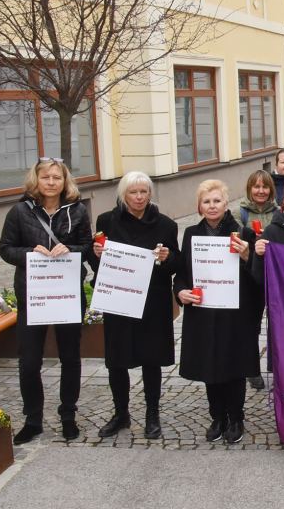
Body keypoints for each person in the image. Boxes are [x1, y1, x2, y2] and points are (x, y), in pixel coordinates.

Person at [0, 158, 92, 444]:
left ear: (65, 182)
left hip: (66, 293)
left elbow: (87, 247)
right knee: (28, 361)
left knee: (70, 358)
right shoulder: (19, 211)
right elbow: (5, 248)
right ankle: (33, 419)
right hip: (33, 294)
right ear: (36, 180)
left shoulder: (77, 211)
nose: (51, 182)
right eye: (46, 177)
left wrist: (71, 249)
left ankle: (68, 416)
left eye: (57, 177)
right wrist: (30, 253)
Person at [91, 171, 180, 440]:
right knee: (117, 360)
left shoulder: (165, 225)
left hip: (152, 302)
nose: (139, 197)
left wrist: (166, 258)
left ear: (150, 194)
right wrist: (95, 254)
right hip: (119, 300)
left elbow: (177, 263)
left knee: (150, 360)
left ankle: (152, 414)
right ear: (123, 195)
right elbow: (97, 264)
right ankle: (121, 414)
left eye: (144, 192)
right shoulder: (107, 221)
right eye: (133, 192)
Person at [175, 180, 259, 443]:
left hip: (234, 313)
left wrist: (247, 257)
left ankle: (236, 417)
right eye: (206, 201)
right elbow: (182, 273)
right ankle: (217, 416)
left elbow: (258, 274)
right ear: (199, 206)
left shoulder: (242, 233)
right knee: (210, 366)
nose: (212, 206)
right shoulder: (190, 234)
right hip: (203, 311)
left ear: (226, 204)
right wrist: (181, 292)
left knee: (233, 366)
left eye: (217, 201)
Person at [237, 169, 279, 390]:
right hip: (249, 274)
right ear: (249, 189)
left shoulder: (279, 212)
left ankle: (277, 368)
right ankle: (251, 369)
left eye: (265, 187)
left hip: (274, 275)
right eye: (256, 186)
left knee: (278, 324)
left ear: (271, 189)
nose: (261, 191)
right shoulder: (240, 213)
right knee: (250, 325)